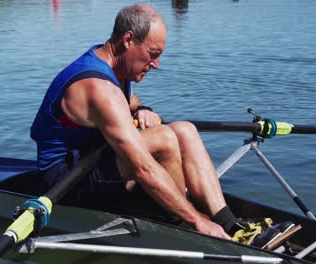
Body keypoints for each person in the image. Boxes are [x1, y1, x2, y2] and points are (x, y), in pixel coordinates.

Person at [30, 4, 246, 240]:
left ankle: (228, 223)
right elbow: (143, 168)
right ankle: (188, 226)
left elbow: (128, 98)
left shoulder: (109, 62)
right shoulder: (98, 88)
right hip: (65, 182)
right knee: (163, 139)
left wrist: (141, 108)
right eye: (153, 54)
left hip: (93, 158)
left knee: (185, 130)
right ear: (128, 39)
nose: (156, 64)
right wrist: (196, 219)